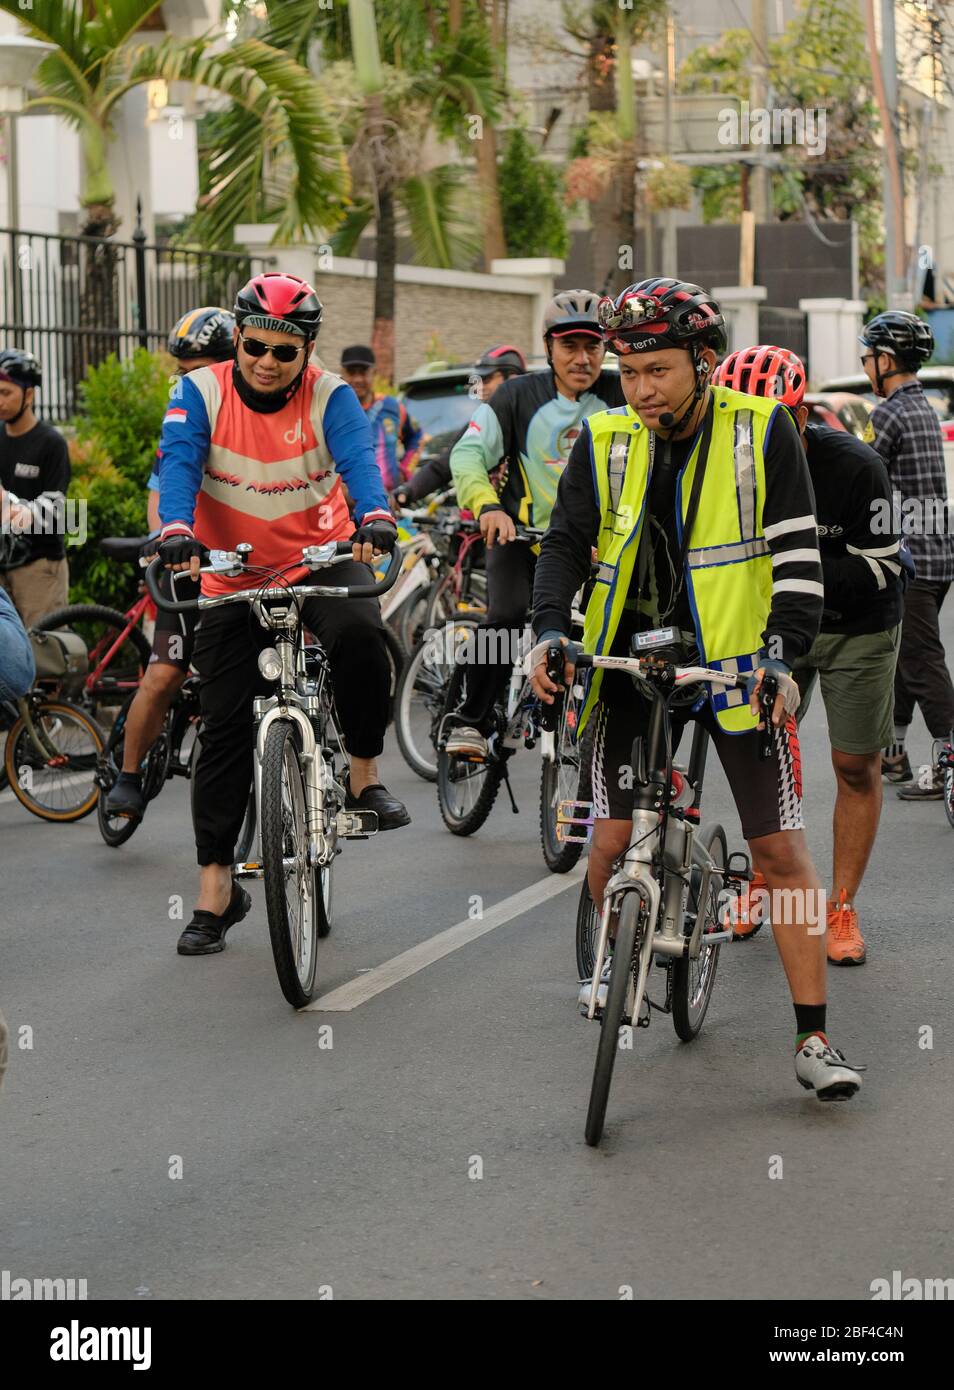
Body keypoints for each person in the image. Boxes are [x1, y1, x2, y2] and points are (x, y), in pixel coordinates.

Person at [530, 278, 864, 1102]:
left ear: (704, 365)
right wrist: (547, 632)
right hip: (627, 663)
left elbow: (795, 562)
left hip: (737, 665)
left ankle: (813, 1035)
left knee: (781, 856)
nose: (640, 389)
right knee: (608, 841)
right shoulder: (604, 437)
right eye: (630, 370)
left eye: (660, 371)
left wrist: (781, 656)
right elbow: (566, 544)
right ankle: (613, 963)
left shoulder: (762, 433)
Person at [155, 272, 408, 956]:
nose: (267, 361)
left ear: (307, 352)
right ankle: (216, 890)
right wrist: (177, 529)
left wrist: (376, 515)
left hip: (320, 557)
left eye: (284, 351)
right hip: (231, 570)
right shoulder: (197, 392)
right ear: (237, 339)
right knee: (225, 723)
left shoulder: (332, 396)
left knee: (362, 639)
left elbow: (359, 463)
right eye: (254, 345)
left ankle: (363, 776)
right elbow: (178, 464)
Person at [713, 345, 904, 967]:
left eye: (776, 420)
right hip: (770, 628)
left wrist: (798, 573)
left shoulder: (857, 465)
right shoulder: (722, 463)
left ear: (801, 417)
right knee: (761, 750)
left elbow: (883, 569)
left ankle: (841, 904)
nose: (759, 434)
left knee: (853, 763)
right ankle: (767, 878)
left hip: (856, 625)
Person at [445, 291, 624, 758]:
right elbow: (467, 454)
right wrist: (488, 507)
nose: (582, 358)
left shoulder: (622, 393)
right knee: (504, 619)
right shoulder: (516, 395)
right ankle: (472, 719)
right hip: (521, 538)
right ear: (548, 347)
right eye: (570, 346)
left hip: (597, 546)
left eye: (593, 346)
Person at [106, 307, 236, 822]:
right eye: (180, 371)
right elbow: (160, 498)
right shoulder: (181, 420)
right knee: (163, 675)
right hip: (187, 565)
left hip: (239, 568)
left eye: (196, 370)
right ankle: (129, 774)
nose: (185, 381)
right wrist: (168, 545)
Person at [860, 311, 954, 799]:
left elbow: (863, 480)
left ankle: (948, 764)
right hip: (938, 555)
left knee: (919, 661)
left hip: (913, 559)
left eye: (868, 356)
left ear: (886, 359)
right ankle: (894, 756)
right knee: (901, 659)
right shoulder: (922, 408)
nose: (864, 363)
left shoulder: (889, 415)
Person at [392, 345, 527, 507]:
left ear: (513, 379)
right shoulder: (480, 425)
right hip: (490, 519)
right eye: (479, 380)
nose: (480, 388)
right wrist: (406, 492)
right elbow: (442, 466)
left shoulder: (534, 422)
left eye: (488, 379)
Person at [0, 349, 71, 629]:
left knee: (45, 657)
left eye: (7, 393)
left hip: (39, 566)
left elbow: (58, 511)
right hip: (3, 562)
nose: (0, 401)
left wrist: (9, 505)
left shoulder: (51, 443)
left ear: (29, 395)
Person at [339, 345, 423, 492]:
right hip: (345, 504)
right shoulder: (332, 410)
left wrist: (405, 470)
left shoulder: (393, 407)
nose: (358, 379)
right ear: (342, 373)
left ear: (374, 373)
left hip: (389, 502)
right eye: (352, 372)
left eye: (364, 372)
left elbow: (417, 437)